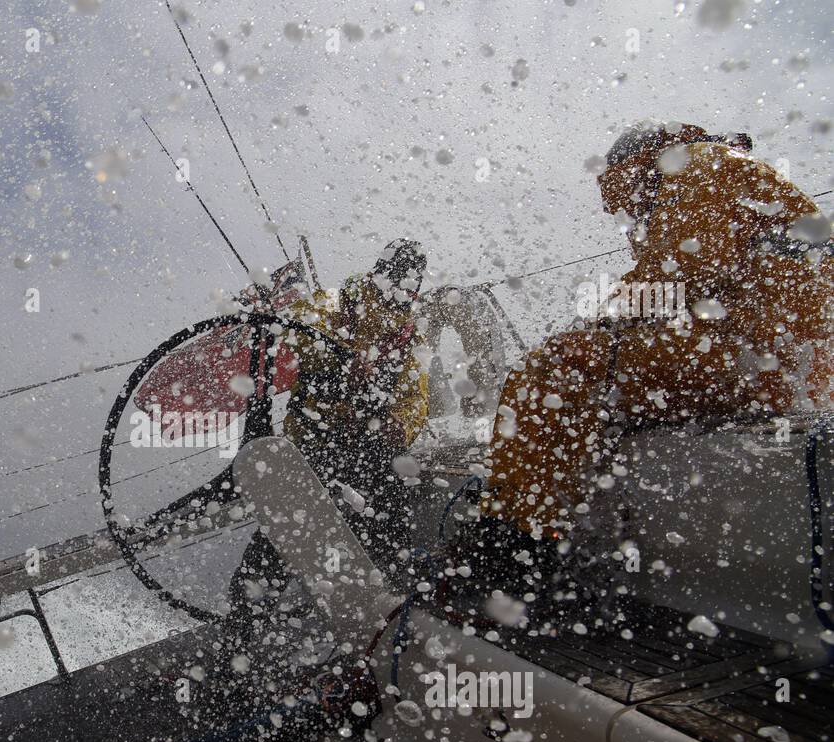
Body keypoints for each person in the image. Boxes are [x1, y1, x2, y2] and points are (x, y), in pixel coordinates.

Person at [471, 121, 834, 584]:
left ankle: (518, 548)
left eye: (628, 202)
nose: (630, 217)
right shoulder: (727, 171)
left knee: (552, 367)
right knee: (592, 376)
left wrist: (596, 325)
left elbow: (680, 269)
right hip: (779, 366)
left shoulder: (700, 165)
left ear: (636, 168)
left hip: (754, 362)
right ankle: (567, 531)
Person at [228, 239, 430, 629]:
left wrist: (400, 425)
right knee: (284, 534)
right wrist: (343, 361)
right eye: (399, 281)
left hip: (369, 447)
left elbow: (416, 397)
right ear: (381, 274)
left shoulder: (408, 335)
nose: (403, 293)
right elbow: (298, 337)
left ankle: (390, 603)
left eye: (411, 285)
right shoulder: (335, 304)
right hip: (313, 447)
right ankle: (245, 618)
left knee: (390, 515)